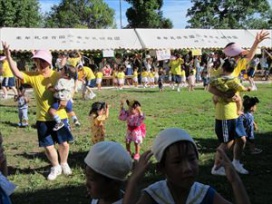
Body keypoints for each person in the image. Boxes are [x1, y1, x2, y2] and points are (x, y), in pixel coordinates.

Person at [2, 42, 74, 181]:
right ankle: (55, 166)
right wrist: (8, 55)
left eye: (42, 63)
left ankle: (64, 163)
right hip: (42, 118)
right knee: (48, 146)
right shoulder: (33, 76)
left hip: (60, 116)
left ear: (48, 62)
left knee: (64, 143)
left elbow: (70, 86)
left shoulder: (58, 75)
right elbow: (17, 72)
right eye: (37, 62)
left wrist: (68, 99)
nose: (39, 66)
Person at [123, 128, 251, 204]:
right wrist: (133, 181)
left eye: (192, 159)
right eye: (177, 162)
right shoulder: (154, 195)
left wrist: (235, 181)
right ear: (161, 168)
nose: (188, 168)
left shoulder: (204, 194)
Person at [208, 30, 269, 176]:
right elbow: (211, 89)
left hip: (235, 111)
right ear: (232, 56)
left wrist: (256, 42)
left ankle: (236, 163)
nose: (242, 56)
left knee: (241, 139)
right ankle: (216, 168)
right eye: (239, 54)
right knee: (227, 142)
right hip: (225, 111)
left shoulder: (236, 65)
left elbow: (249, 56)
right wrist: (225, 95)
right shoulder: (218, 70)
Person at [47, 64, 80, 131]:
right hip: (69, 101)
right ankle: (75, 119)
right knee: (70, 110)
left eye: (62, 70)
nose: (60, 71)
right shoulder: (72, 80)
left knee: (51, 111)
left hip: (60, 100)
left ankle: (59, 122)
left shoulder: (61, 80)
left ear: (66, 74)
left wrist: (49, 87)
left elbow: (56, 89)